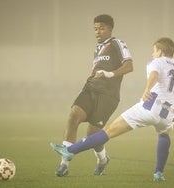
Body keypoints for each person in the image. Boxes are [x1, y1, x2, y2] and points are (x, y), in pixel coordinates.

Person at [51, 37, 174, 181]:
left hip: (150, 107)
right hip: (169, 115)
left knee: (108, 131)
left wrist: (147, 90)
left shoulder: (157, 62)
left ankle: (70, 151)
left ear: (161, 51)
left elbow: (154, 75)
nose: (152, 53)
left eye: (154, 50)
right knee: (164, 136)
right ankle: (158, 172)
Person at [54, 14, 133, 177]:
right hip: (90, 89)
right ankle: (64, 165)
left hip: (108, 96)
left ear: (110, 28)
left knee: (93, 136)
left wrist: (110, 74)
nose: (97, 32)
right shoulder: (97, 49)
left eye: (101, 28)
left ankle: (102, 160)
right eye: (95, 29)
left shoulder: (117, 43)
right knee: (73, 115)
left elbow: (129, 66)